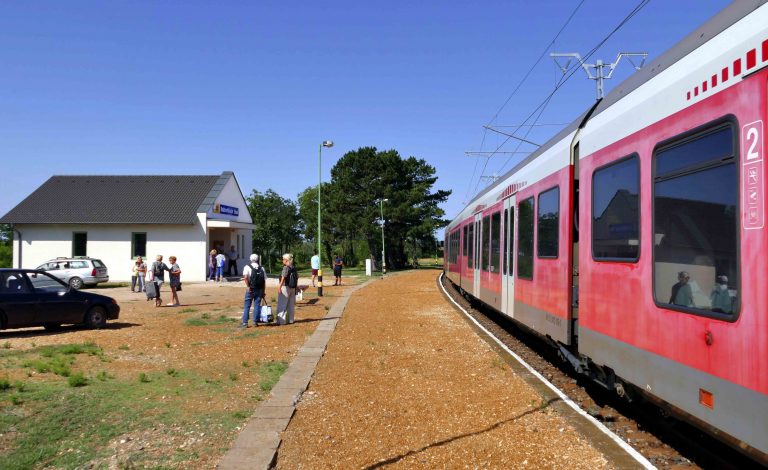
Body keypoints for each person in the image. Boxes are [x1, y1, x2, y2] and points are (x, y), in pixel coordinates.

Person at [241, 254, 266, 328]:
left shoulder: (247, 267)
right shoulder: (262, 268)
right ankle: (255, 322)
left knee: (247, 306)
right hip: (259, 289)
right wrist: (263, 291)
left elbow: (245, 277)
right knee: (257, 305)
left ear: (250, 259)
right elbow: (264, 281)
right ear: (257, 259)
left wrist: (248, 286)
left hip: (251, 289)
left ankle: (245, 323)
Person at [277, 253, 298, 324]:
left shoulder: (285, 267)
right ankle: (291, 320)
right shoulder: (293, 267)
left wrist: (279, 287)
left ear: (286, 260)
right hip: (292, 288)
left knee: (282, 304)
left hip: (285, 287)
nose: (282, 260)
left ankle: (281, 321)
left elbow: (283, 277)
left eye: (283, 259)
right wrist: (296, 287)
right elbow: (297, 277)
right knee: (291, 305)